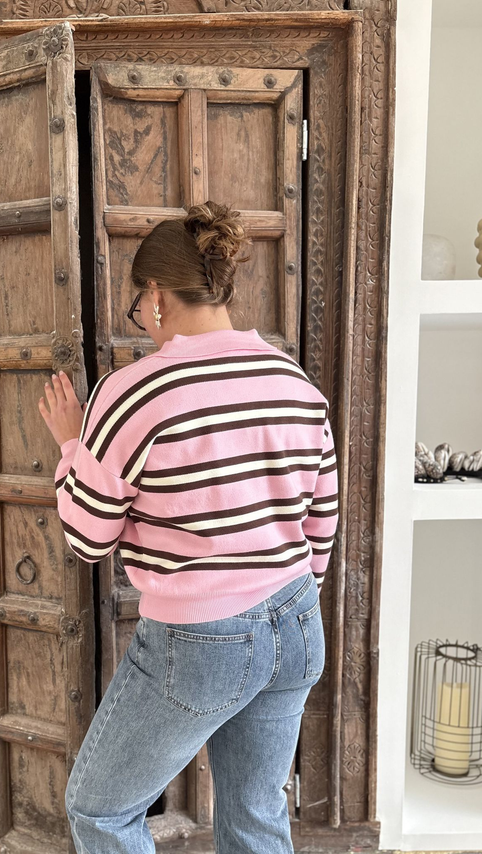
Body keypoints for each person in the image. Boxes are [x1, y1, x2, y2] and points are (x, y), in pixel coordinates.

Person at [38, 200, 339, 854]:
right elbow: (321, 522)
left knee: (99, 809)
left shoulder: (133, 393)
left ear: (155, 296)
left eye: (138, 308)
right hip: (297, 621)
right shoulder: (293, 381)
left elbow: (89, 538)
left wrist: (71, 447)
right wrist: (281, 597)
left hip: (202, 640)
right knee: (256, 814)